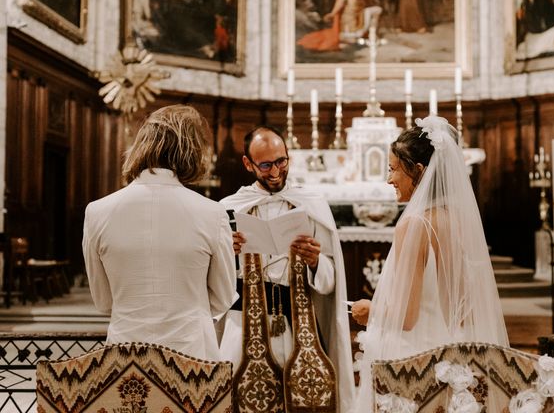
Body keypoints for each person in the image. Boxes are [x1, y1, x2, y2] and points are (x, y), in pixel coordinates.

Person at [351, 116, 509, 411]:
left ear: (418, 171)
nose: (388, 180)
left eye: (393, 169)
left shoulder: (414, 224)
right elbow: (462, 305)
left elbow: (407, 316)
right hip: (454, 355)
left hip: (415, 361)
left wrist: (368, 309)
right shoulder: (459, 221)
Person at [82, 105, 237, 361]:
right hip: (191, 356)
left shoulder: (97, 211)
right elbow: (223, 297)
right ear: (192, 151)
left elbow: (103, 301)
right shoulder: (212, 213)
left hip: (125, 356)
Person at [219, 126, 355, 413]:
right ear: (248, 164)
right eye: (265, 165)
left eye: (281, 161)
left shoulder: (311, 205)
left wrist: (316, 262)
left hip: (297, 326)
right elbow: (212, 281)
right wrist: (224, 253)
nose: (275, 172)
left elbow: (331, 283)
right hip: (240, 325)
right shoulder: (228, 208)